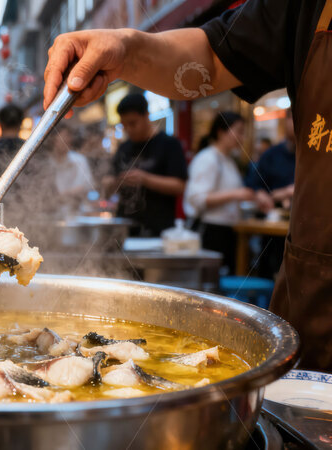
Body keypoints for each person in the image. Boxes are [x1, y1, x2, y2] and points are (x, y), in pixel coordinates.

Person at [41, 0, 332, 370]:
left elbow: (182, 190)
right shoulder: (307, 9)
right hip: (317, 311)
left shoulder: (168, 146)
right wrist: (126, 49)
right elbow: (210, 57)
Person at [102, 94, 188, 237]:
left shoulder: (169, 144)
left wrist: (144, 179)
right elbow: (107, 186)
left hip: (159, 229)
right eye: (124, 125)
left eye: (133, 123)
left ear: (147, 115)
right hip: (124, 227)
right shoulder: (123, 148)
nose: (129, 129)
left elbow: (180, 186)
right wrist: (116, 182)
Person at [183, 112, 254, 274]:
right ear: (221, 132)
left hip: (226, 230)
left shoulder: (227, 159)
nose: (242, 137)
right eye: (239, 131)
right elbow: (197, 199)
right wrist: (237, 194)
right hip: (211, 231)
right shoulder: (207, 158)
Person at [246, 109, 296, 279]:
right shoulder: (271, 155)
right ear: (287, 120)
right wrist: (262, 194)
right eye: (294, 118)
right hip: (272, 226)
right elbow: (254, 184)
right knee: (267, 272)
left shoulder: (313, 156)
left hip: (304, 229)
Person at [48, 123, 95, 218]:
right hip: (53, 215)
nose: (68, 140)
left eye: (69, 136)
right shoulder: (47, 163)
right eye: (64, 136)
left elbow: (87, 186)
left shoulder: (79, 160)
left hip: (78, 214)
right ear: (53, 139)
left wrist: (63, 195)